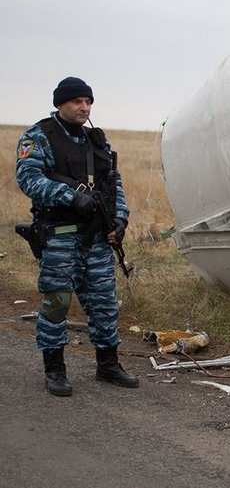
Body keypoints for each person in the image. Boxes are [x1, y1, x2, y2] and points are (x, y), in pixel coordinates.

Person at [15, 76, 139, 397]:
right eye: (77, 102)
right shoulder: (39, 137)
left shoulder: (97, 141)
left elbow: (114, 184)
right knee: (58, 303)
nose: (84, 107)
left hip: (96, 237)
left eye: (88, 102)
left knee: (104, 303)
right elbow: (29, 180)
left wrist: (119, 219)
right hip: (59, 236)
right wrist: (71, 196)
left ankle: (107, 364)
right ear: (60, 103)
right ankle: (55, 369)